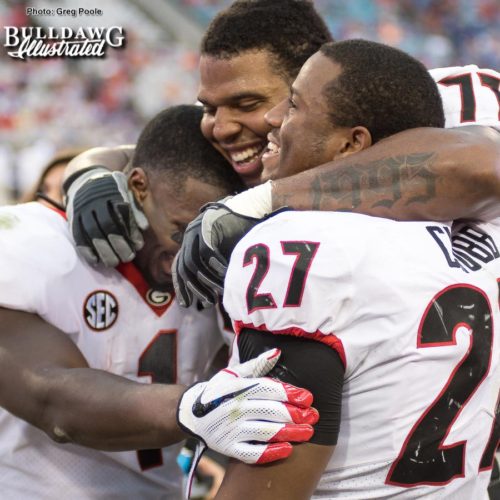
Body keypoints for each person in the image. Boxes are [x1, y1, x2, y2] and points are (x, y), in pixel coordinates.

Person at [215, 40, 500, 499]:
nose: (273, 117)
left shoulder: (300, 244)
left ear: (352, 143)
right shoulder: (476, 235)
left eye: (293, 105)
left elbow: (266, 489)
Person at [0, 105, 317, 498]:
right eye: (182, 231)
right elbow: (53, 401)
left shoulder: (226, 270)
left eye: (210, 237)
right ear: (138, 186)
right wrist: (191, 407)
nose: (191, 253)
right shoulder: (34, 243)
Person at [62, 0, 499, 273]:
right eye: (211, 108)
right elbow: (145, 156)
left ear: (312, 82)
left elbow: (485, 166)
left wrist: (267, 200)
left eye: (247, 103)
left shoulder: (423, 99)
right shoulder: (243, 143)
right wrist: (89, 174)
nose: (221, 127)